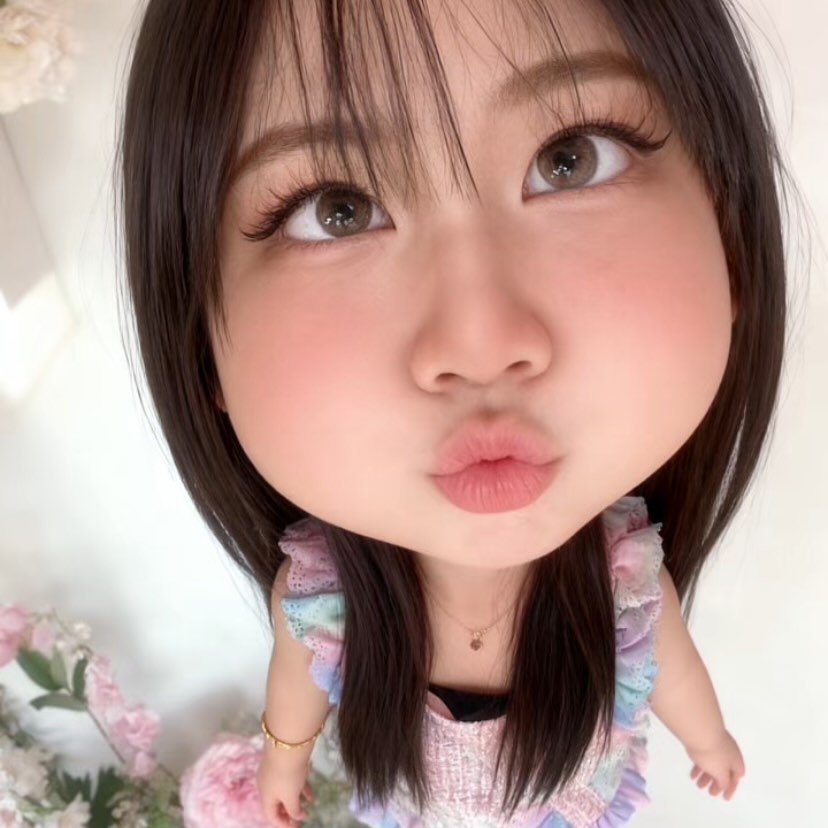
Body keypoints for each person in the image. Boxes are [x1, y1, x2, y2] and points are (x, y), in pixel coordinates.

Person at [118, 0, 794, 824]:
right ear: (201, 345)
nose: (480, 345)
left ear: (730, 228)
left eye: (571, 159)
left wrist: (707, 738)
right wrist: (282, 756)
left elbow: (671, 668)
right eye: (337, 208)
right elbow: (296, 684)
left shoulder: (626, 581)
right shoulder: (325, 596)